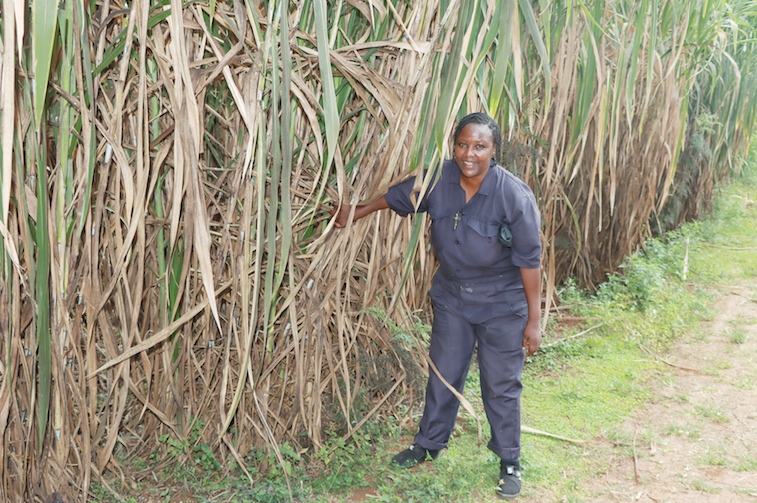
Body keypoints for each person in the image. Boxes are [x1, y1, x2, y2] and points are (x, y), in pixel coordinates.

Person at [331, 112, 542, 500]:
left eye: (480, 146)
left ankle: (509, 460)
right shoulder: (438, 179)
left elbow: (530, 261)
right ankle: (428, 444)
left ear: (494, 151)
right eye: (463, 144)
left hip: (501, 302)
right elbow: (397, 197)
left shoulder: (513, 194)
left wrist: (534, 320)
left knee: (500, 384)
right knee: (443, 372)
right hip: (453, 297)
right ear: (454, 144)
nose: (469, 153)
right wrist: (355, 211)